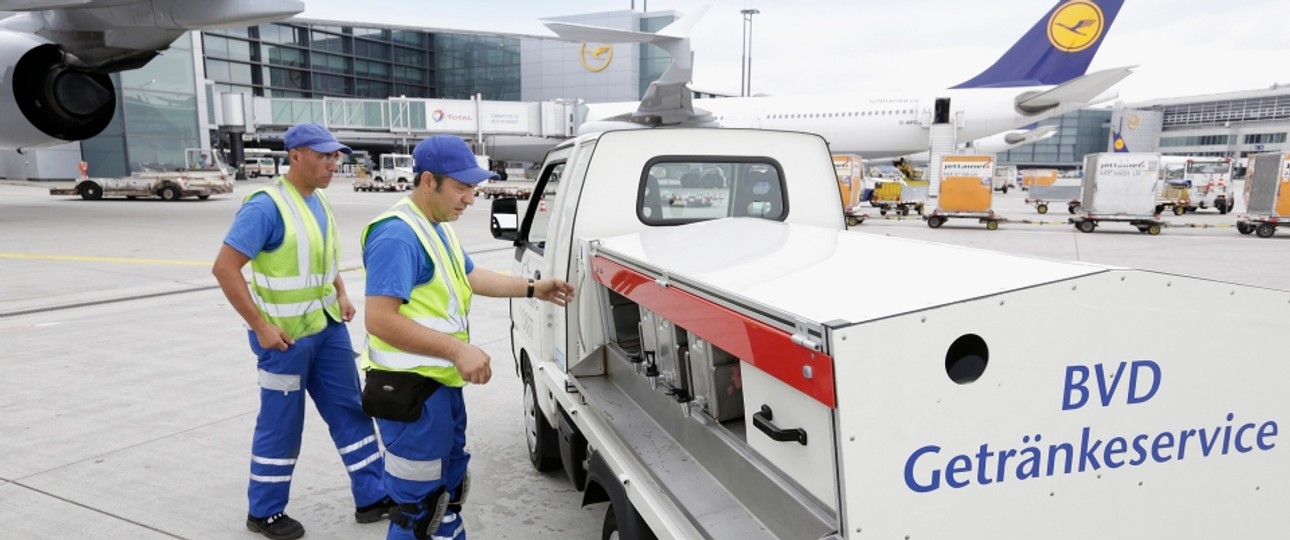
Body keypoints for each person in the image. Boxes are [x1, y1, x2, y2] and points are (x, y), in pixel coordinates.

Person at [360, 135, 573, 540]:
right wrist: (457, 349)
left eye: (472, 189)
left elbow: (471, 276)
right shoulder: (397, 236)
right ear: (428, 181)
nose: (470, 199)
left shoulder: (435, 227)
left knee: (447, 493)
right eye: (461, 188)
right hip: (412, 396)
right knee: (418, 510)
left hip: (438, 388)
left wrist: (534, 287)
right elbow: (380, 320)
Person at [212, 122, 393, 540]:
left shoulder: (318, 200)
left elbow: (323, 259)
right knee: (282, 423)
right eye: (324, 155)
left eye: (336, 156)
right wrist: (260, 327)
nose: (334, 163)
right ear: (295, 156)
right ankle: (265, 511)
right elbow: (225, 269)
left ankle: (373, 495)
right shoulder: (266, 206)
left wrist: (342, 293)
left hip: (327, 331)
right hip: (285, 340)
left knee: (351, 410)